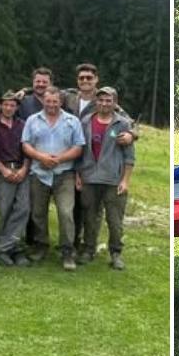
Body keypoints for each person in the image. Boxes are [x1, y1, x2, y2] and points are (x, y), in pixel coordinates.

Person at [61, 63, 138, 253]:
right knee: (82, 211)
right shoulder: (69, 98)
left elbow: (131, 126)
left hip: (109, 175)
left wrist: (131, 135)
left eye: (89, 77)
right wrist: (24, 91)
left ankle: (111, 251)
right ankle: (80, 245)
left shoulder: (112, 107)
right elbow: (45, 92)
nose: (85, 81)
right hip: (82, 169)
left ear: (96, 79)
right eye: (82, 78)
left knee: (111, 217)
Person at [22, 88, 85, 271]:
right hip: (39, 173)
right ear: (44, 101)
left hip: (64, 174)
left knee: (66, 213)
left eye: (55, 101)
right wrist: (41, 157)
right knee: (38, 212)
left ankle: (67, 251)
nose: (51, 105)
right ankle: (41, 245)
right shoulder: (32, 120)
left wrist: (59, 159)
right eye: (48, 101)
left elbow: (78, 147)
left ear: (61, 102)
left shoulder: (72, 121)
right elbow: (25, 144)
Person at [75, 87, 135, 270]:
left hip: (113, 180)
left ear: (115, 103)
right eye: (101, 100)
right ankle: (89, 249)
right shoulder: (85, 122)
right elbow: (79, 151)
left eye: (108, 100)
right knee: (90, 218)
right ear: (96, 101)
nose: (104, 103)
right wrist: (78, 175)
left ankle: (115, 253)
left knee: (114, 220)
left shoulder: (122, 124)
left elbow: (129, 157)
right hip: (89, 178)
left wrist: (125, 180)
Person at [0, 91, 31, 267]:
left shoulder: (22, 124)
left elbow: (27, 148)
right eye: (6, 104)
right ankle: (10, 250)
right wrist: (3, 170)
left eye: (12, 105)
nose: (9, 108)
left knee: (23, 209)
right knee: (6, 210)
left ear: (16, 107)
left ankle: (6, 248)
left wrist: (24, 169)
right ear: (1, 105)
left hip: (21, 169)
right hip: (3, 170)